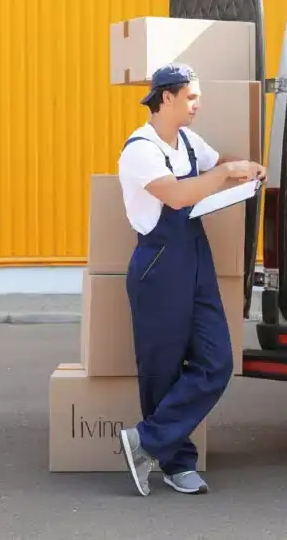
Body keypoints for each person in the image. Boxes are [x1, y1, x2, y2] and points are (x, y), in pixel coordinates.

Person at [115, 63, 265, 496]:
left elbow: (219, 164)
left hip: (196, 257)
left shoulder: (187, 141)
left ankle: (146, 440)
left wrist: (244, 169)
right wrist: (224, 174)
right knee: (162, 369)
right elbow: (179, 195)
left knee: (217, 361)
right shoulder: (139, 150)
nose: (198, 105)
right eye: (191, 97)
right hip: (159, 265)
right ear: (167, 98)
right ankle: (177, 463)